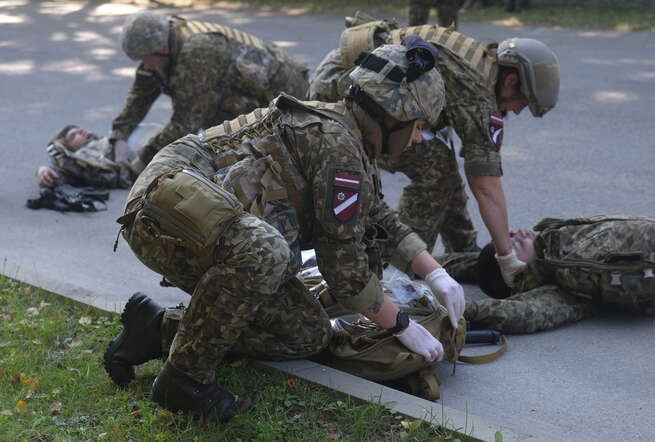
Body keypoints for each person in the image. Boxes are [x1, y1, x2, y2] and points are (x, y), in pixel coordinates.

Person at [104, 40, 466, 422]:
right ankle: (184, 379)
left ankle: (155, 330)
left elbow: (378, 215)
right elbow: (344, 272)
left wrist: (436, 273)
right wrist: (403, 326)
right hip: (163, 204)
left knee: (306, 333)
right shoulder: (338, 146)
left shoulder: (348, 136)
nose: (415, 139)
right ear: (393, 115)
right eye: (418, 127)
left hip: (187, 209)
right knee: (267, 253)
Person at [307, 18, 560, 273]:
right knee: (435, 169)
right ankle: (399, 264)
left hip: (349, 78)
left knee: (442, 163)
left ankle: (463, 252)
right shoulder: (478, 93)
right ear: (511, 82)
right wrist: (507, 257)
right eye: (522, 103)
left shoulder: (480, 62)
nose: (516, 112)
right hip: (348, 96)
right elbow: (486, 185)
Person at [436, 216, 655, 333]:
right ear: (518, 274)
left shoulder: (552, 247)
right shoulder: (564, 284)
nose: (515, 233)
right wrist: (456, 308)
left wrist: (423, 263)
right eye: (516, 245)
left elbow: (475, 264)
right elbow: (521, 312)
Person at [111, 11, 310, 176]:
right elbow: (140, 95)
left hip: (287, 103)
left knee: (222, 155)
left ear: (162, 48)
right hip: (250, 95)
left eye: (146, 58)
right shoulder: (164, 43)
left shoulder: (198, 52)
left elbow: (186, 121)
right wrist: (119, 137)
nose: (145, 65)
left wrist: (142, 162)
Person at [36, 125, 137, 189]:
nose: (80, 132)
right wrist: (42, 170)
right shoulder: (80, 164)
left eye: (79, 130)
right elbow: (62, 172)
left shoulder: (107, 140)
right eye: (73, 135)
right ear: (70, 149)